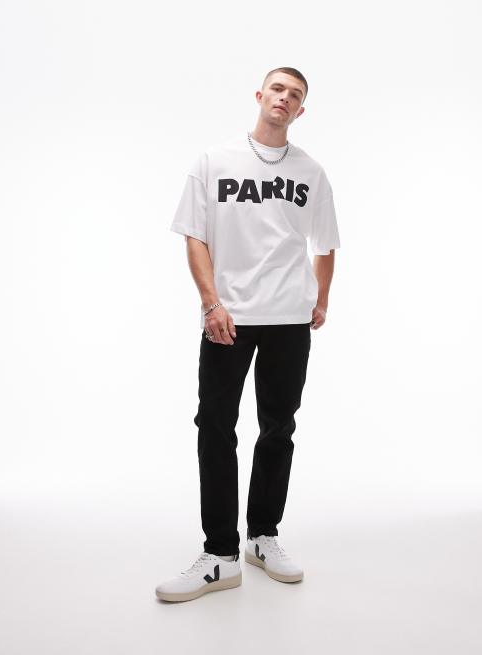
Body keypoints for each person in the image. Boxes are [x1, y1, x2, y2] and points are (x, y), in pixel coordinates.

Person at [156, 67, 341, 603]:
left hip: (289, 319)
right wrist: (210, 302)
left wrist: (321, 298)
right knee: (215, 427)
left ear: (301, 111)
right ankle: (220, 554)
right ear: (260, 95)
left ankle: (263, 536)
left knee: (278, 428)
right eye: (278, 88)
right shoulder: (214, 161)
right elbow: (194, 236)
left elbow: (326, 244)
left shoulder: (311, 172)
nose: (285, 98)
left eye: (295, 95)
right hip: (228, 317)